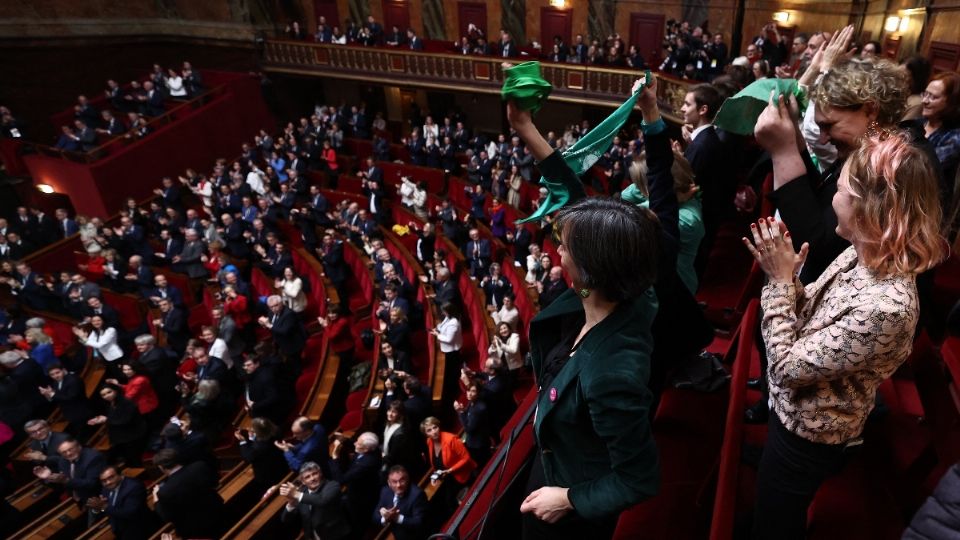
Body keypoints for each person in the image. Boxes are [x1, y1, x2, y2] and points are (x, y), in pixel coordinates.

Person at [742, 130, 945, 539]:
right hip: (795, 415)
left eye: (838, 190)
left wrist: (780, 282)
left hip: (808, 434)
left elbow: (784, 369)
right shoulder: (865, 251)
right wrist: (792, 281)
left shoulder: (885, 306)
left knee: (774, 524)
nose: (831, 199)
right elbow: (814, 316)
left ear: (870, 208)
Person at [506, 84, 660, 538]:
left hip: (570, 505)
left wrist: (569, 499)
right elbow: (574, 200)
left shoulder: (612, 373)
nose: (558, 255)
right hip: (557, 456)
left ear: (589, 272)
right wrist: (524, 127)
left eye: (565, 250)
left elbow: (639, 478)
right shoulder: (625, 284)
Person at [152, 448, 225, 539]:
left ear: (161, 467)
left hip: (195, 529)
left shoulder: (165, 492)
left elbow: (167, 517)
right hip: (218, 511)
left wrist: (156, 499)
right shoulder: (200, 466)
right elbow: (215, 483)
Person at [280, 461, 351, 540]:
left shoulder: (332, 485)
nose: (312, 478)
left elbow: (322, 500)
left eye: (315, 474)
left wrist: (296, 494)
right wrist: (291, 503)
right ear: (303, 482)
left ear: (320, 474)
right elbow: (285, 519)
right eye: (307, 477)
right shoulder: (302, 494)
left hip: (336, 536)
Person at [421, 416, 476, 515]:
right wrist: (435, 476)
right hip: (447, 477)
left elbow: (466, 458)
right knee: (446, 504)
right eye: (429, 430)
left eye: (435, 427)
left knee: (454, 503)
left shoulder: (451, 439)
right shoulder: (429, 442)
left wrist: (450, 470)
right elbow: (436, 464)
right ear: (426, 434)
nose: (434, 431)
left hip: (462, 475)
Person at [329, 432, 382, 531]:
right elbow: (358, 445)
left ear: (366, 449)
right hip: (362, 487)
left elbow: (340, 480)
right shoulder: (373, 449)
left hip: (360, 497)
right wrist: (344, 439)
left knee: (358, 520)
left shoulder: (366, 464)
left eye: (358, 443)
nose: (355, 444)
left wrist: (335, 457)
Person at [88, 465, 157, 540]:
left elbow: (129, 513)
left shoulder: (134, 487)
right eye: (104, 481)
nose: (108, 482)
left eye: (111, 477)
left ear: (120, 475)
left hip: (139, 529)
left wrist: (104, 506)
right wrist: (98, 509)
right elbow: (107, 509)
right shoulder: (106, 489)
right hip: (119, 529)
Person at [921, 71, 960, 202]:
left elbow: (923, 167)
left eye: (933, 97)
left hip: (927, 203)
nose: (925, 101)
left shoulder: (954, 138)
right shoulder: (918, 123)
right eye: (925, 94)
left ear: (951, 102)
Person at [88, 384, 147, 466]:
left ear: (115, 391)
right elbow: (113, 418)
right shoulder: (110, 404)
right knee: (126, 460)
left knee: (135, 460)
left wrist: (106, 419)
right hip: (120, 438)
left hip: (132, 437)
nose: (107, 396)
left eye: (109, 392)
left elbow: (124, 420)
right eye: (103, 395)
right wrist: (100, 419)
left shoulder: (126, 403)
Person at [236, 417, 289, 495]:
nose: (252, 429)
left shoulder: (259, 447)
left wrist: (243, 441)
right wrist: (252, 437)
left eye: (253, 428)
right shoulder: (276, 431)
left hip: (267, 473)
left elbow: (248, 457)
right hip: (281, 463)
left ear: (259, 432)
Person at [373, 465, 428, 540]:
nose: (398, 485)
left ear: (407, 479)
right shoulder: (385, 491)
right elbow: (375, 515)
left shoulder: (417, 495)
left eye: (402, 480)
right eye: (394, 482)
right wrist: (385, 517)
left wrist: (397, 518)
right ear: (389, 483)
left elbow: (419, 522)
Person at [455, 382, 491, 467]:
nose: (469, 394)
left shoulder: (479, 408)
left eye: (473, 391)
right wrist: (463, 410)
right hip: (478, 440)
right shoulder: (472, 401)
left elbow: (469, 429)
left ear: (478, 393)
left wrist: (460, 412)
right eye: (468, 390)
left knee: (481, 465)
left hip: (478, 444)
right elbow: (468, 413)